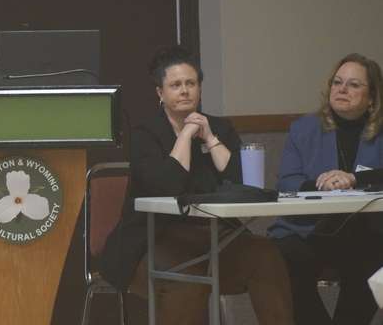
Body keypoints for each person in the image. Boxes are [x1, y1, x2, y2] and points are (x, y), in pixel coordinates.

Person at [101, 46, 294, 324]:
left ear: (200, 89)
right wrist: (186, 134)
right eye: (175, 85)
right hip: (153, 239)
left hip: (215, 237)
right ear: (160, 93)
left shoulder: (220, 127)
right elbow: (167, 185)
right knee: (188, 279)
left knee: (266, 254)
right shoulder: (145, 134)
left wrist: (210, 138)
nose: (184, 91)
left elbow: (246, 184)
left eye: (191, 83)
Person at [269, 53, 383, 325]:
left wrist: (354, 179)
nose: (342, 89)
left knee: (370, 259)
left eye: (354, 85)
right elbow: (286, 182)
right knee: (281, 258)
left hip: (366, 229)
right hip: (310, 229)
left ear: (372, 98)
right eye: (337, 82)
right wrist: (322, 183)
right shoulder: (304, 128)